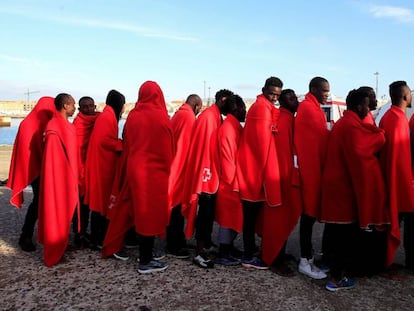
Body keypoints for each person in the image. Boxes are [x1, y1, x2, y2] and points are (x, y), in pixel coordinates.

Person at [321, 88, 389, 291]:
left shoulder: (346, 122)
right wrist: (381, 135)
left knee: (336, 235)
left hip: (337, 186)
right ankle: (336, 279)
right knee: (345, 237)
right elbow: (363, 148)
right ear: (360, 106)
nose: (369, 108)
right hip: (343, 190)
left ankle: (333, 270)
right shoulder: (351, 125)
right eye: (368, 105)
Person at [121, 80, 174, 273]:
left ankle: (146, 253)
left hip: (135, 168)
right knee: (151, 214)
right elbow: (169, 148)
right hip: (155, 172)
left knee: (141, 211)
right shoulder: (161, 117)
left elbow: (127, 141)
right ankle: (146, 259)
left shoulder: (133, 115)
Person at [181, 89, 234, 269]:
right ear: (222, 100)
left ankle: (205, 243)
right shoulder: (209, 117)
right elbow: (204, 149)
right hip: (206, 175)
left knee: (208, 214)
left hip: (210, 173)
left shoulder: (214, 115)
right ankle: (200, 252)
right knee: (205, 215)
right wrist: (206, 175)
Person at [236, 77, 283, 270]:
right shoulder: (262, 110)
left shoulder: (263, 107)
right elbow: (263, 146)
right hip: (253, 174)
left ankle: (250, 250)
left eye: (277, 95)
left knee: (252, 216)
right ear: (264, 89)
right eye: (271, 93)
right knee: (250, 216)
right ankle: (248, 255)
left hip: (252, 171)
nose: (274, 98)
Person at [6, 96, 56, 251]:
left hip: (36, 167)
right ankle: (25, 236)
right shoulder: (36, 123)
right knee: (38, 203)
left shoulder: (30, 121)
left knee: (40, 202)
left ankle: (37, 234)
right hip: (36, 169)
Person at [261, 89, 301, 276]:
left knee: (281, 220)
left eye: (295, 97)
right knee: (278, 221)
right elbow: (283, 154)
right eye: (291, 98)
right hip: (281, 180)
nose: (296, 101)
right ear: (284, 102)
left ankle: (279, 255)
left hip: (283, 178)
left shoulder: (288, 119)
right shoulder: (284, 120)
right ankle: (274, 259)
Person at [294, 76, 330, 279]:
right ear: (314, 89)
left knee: (309, 217)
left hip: (314, 170)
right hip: (310, 172)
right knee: (307, 217)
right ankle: (304, 260)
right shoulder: (308, 107)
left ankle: (307, 257)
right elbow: (313, 140)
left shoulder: (314, 106)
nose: (327, 94)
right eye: (324, 90)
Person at [37, 93, 78, 267]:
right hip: (59, 178)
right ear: (65, 105)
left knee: (65, 214)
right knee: (57, 212)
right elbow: (53, 158)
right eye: (73, 105)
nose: (74, 108)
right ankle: (53, 252)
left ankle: (61, 244)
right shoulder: (54, 126)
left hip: (67, 176)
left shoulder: (63, 125)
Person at [84, 90, 126, 260]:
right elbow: (104, 141)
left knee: (100, 203)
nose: (123, 109)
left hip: (103, 164)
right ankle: (98, 238)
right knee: (100, 204)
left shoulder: (107, 115)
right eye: (122, 104)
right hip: (102, 167)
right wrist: (123, 145)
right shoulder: (107, 117)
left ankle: (98, 238)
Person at [379, 81, 414, 271]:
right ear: (404, 96)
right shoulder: (397, 119)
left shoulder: (394, 117)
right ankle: (387, 262)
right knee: (401, 222)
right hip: (399, 183)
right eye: (410, 94)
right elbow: (396, 159)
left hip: (399, 182)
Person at [167, 94, 202, 258]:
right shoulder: (188, 117)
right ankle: (174, 245)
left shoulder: (179, 114)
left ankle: (177, 240)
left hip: (172, 167)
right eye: (199, 108)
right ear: (195, 105)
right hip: (179, 170)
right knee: (176, 209)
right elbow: (186, 147)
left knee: (174, 208)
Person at [214, 94, 246, 266]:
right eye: (243, 108)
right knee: (228, 219)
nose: (245, 111)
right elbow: (228, 158)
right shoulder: (229, 128)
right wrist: (234, 182)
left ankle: (229, 248)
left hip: (232, 179)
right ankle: (223, 252)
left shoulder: (232, 126)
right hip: (230, 182)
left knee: (232, 218)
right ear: (237, 109)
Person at [72, 96, 98, 248]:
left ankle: (84, 232)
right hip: (79, 168)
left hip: (92, 168)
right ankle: (78, 233)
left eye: (91, 106)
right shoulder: (78, 124)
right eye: (85, 107)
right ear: (80, 109)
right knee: (81, 205)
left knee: (88, 204)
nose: (89, 109)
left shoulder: (99, 119)